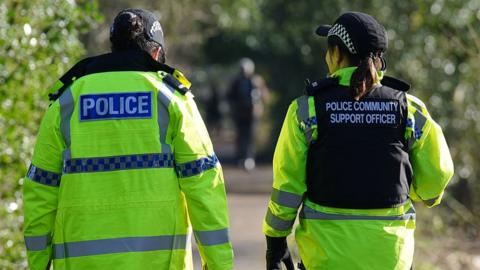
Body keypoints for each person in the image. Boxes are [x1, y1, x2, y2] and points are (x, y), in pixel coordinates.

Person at [23, 9, 233, 270]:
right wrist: (219, 265)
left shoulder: (67, 101)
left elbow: (40, 190)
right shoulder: (172, 100)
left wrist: (38, 264)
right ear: (156, 54)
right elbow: (205, 189)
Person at [263, 11, 454, 270]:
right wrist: (415, 192)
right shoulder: (408, 109)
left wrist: (275, 242)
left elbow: (288, 187)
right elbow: (437, 178)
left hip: (325, 259)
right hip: (390, 258)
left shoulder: (306, 111)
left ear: (337, 53)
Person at [227, 58, 262, 170]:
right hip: (240, 114)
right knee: (240, 136)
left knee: (251, 136)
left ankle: (250, 158)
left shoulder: (256, 80)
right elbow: (230, 96)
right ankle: (240, 158)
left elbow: (264, 96)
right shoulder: (236, 82)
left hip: (253, 114)